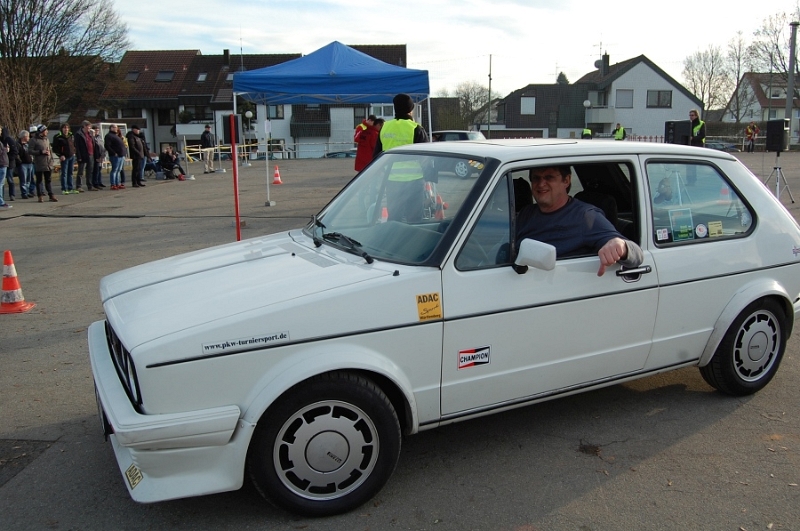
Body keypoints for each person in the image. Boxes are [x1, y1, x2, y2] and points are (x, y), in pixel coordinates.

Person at [516, 165, 642, 276]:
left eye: (549, 177)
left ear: (566, 180)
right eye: (536, 178)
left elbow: (637, 254)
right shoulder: (526, 213)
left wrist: (621, 246)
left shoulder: (586, 217)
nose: (541, 184)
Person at [374, 94, 429, 222]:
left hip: (392, 181)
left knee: (394, 219)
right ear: (410, 109)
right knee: (414, 220)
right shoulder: (416, 128)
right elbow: (427, 157)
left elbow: (376, 156)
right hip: (414, 181)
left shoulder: (385, 127)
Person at [29, 124, 58, 202]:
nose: (47, 132)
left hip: (48, 163)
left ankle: (51, 195)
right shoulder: (34, 140)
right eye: (45, 130)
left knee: (48, 180)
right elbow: (30, 151)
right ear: (41, 131)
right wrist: (41, 152)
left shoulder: (46, 139)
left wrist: (51, 159)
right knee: (39, 180)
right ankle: (40, 195)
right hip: (39, 163)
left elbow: (50, 150)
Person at [52, 123, 77, 194]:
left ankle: (70, 188)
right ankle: (64, 189)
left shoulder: (71, 135)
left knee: (70, 173)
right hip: (64, 157)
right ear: (62, 129)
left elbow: (74, 145)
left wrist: (74, 152)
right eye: (64, 128)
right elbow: (55, 148)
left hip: (71, 156)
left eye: (67, 128)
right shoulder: (57, 137)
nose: (66, 129)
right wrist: (60, 155)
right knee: (64, 173)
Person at [74, 120, 95, 191]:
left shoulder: (90, 134)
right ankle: (79, 186)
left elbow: (93, 143)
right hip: (83, 155)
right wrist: (79, 156)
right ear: (84, 126)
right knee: (81, 171)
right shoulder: (79, 134)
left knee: (90, 171)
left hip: (91, 154)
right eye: (89, 127)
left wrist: (93, 135)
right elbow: (77, 146)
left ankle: (90, 185)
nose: (90, 129)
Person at [15, 130, 35, 199]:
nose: (29, 138)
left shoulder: (28, 144)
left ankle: (28, 191)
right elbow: (16, 154)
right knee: (23, 179)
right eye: (28, 136)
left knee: (29, 179)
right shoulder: (18, 144)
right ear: (24, 137)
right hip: (23, 164)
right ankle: (24, 193)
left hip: (30, 163)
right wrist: (20, 161)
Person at [104, 124, 125, 190]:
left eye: (116, 127)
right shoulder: (109, 136)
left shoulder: (117, 136)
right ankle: (113, 184)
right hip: (115, 156)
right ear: (111, 128)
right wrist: (114, 153)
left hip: (121, 155)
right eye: (114, 127)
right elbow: (107, 146)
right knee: (114, 170)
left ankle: (117, 183)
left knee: (119, 170)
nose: (116, 128)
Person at [0, 128, 9, 209]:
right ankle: (1, 201)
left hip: (3, 164)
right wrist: (5, 150)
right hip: (1, 164)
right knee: (0, 184)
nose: (1, 132)